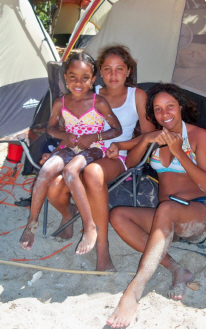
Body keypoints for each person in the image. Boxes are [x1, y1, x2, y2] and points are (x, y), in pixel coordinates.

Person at [107, 83, 206, 328]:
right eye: (157, 110)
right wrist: (146, 138)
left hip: (198, 214)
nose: (164, 114)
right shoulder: (157, 138)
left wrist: (179, 153)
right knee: (118, 216)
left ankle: (135, 291)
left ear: (180, 107)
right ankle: (176, 268)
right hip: (167, 221)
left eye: (169, 107)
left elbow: (204, 183)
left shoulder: (199, 136)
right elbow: (132, 163)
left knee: (166, 208)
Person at [46, 45, 155, 271]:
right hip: (79, 152)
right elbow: (70, 127)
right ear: (99, 73)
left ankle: (102, 247)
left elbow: (148, 136)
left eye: (119, 69)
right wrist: (57, 150)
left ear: (128, 71)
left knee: (93, 172)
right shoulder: (89, 90)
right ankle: (69, 213)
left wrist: (120, 145)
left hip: (116, 155)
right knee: (53, 186)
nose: (113, 75)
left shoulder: (137, 95)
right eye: (107, 69)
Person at [20, 51, 122, 254]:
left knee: (70, 171)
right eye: (73, 77)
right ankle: (32, 222)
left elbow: (116, 129)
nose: (78, 82)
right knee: (46, 171)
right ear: (65, 78)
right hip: (70, 145)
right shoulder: (61, 102)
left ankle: (90, 226)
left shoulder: (98, 102)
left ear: (92, 80)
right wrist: (64, 136)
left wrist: (94, 138)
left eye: (85, 78)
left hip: (93, 148)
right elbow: (50, 128)